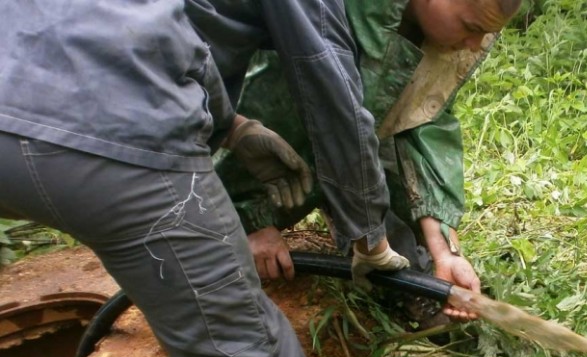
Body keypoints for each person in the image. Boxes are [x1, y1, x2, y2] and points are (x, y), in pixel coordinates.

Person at [0, 0, 402, 357]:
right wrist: (366, 231)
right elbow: (328, 81)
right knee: (249, 344)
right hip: (115, 117)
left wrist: (233, 126)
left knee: (148, 240)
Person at [187, 0, 523, 327]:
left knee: (387, 168)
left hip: (357, 144)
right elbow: (269, 102)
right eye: (471, 27)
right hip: (258, 132)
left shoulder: (452, 35)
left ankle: (390, 260)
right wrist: (248, 222)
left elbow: (424, 120)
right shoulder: (328, 12)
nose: (474, 44)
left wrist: (446, 250)